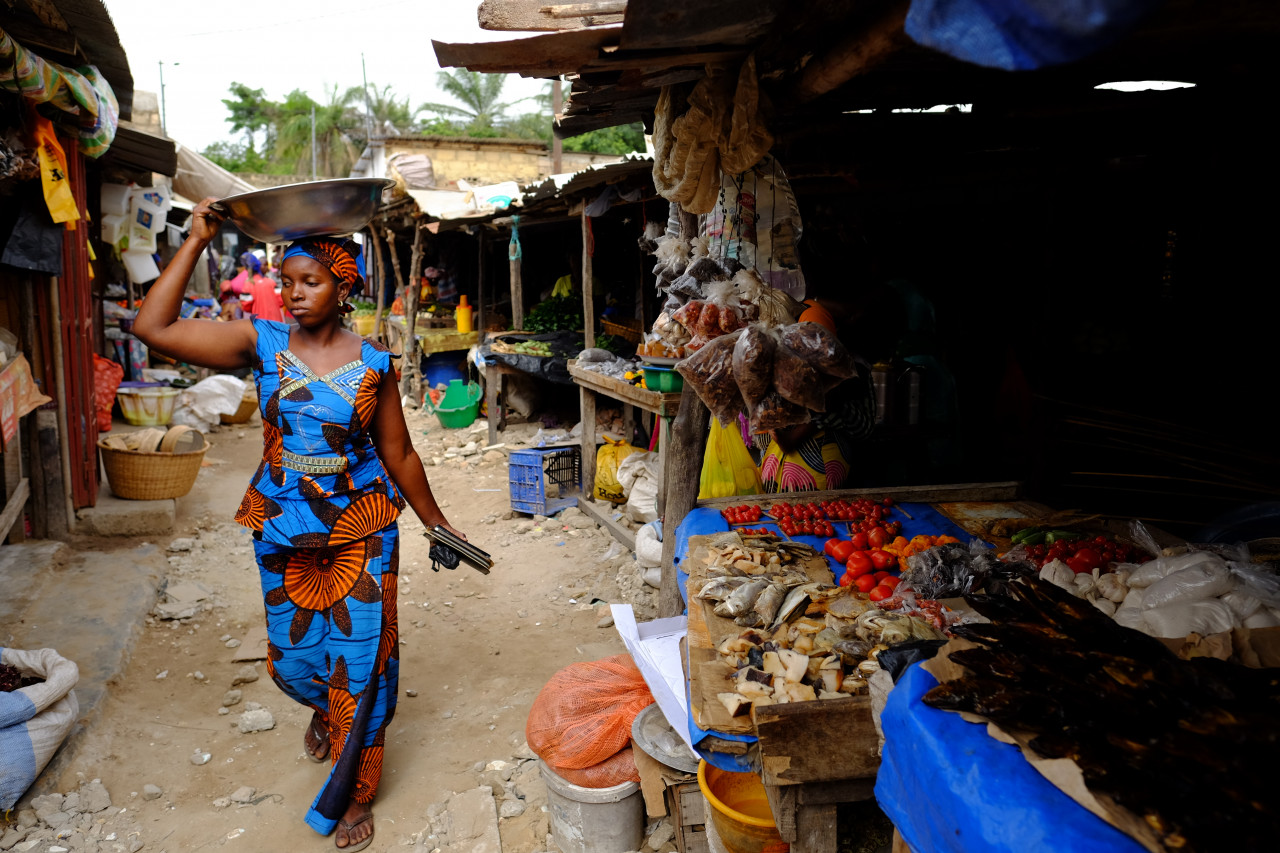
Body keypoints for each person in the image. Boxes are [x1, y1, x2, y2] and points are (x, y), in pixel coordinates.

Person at [133, 199, 466, 852]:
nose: (291, 294)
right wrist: (198, 239)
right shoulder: (259, 341)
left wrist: (439, 523)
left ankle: (352, 792)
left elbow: (398, 452)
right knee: (297, 654)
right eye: (285, 281)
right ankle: (324, 702)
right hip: (284, 525)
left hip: (364, 526)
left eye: (308, 281)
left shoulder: (374, 364)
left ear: (344, 287)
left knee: (365, 664)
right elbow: (153, 325)